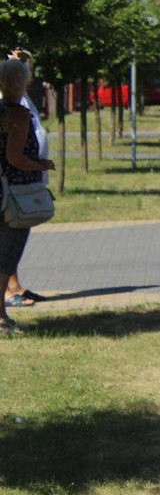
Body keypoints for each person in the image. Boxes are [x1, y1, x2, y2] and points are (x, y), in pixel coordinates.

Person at [0, 59, 56, 333]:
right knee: (7, 255)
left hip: (3, 189)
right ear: (23, 83)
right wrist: (41, 165)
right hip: (15, 194)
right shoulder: (18, 115)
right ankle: (0, 316)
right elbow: (14, 157)